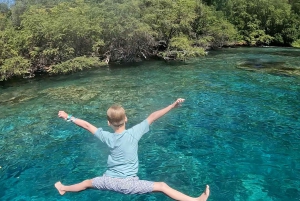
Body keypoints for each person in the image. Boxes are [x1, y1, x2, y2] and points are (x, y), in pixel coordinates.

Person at [54, 98, 210, 201]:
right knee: (162, 186)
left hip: (109, 181)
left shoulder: (106, 136)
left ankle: (63, 188)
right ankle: (195, 200)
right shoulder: (134, 133)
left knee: (87, 183)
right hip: (129, 184)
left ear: (108, 123)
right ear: (126, 119)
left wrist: (69, 117)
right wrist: (172, 105)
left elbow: (87, 125)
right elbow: (153, 116)